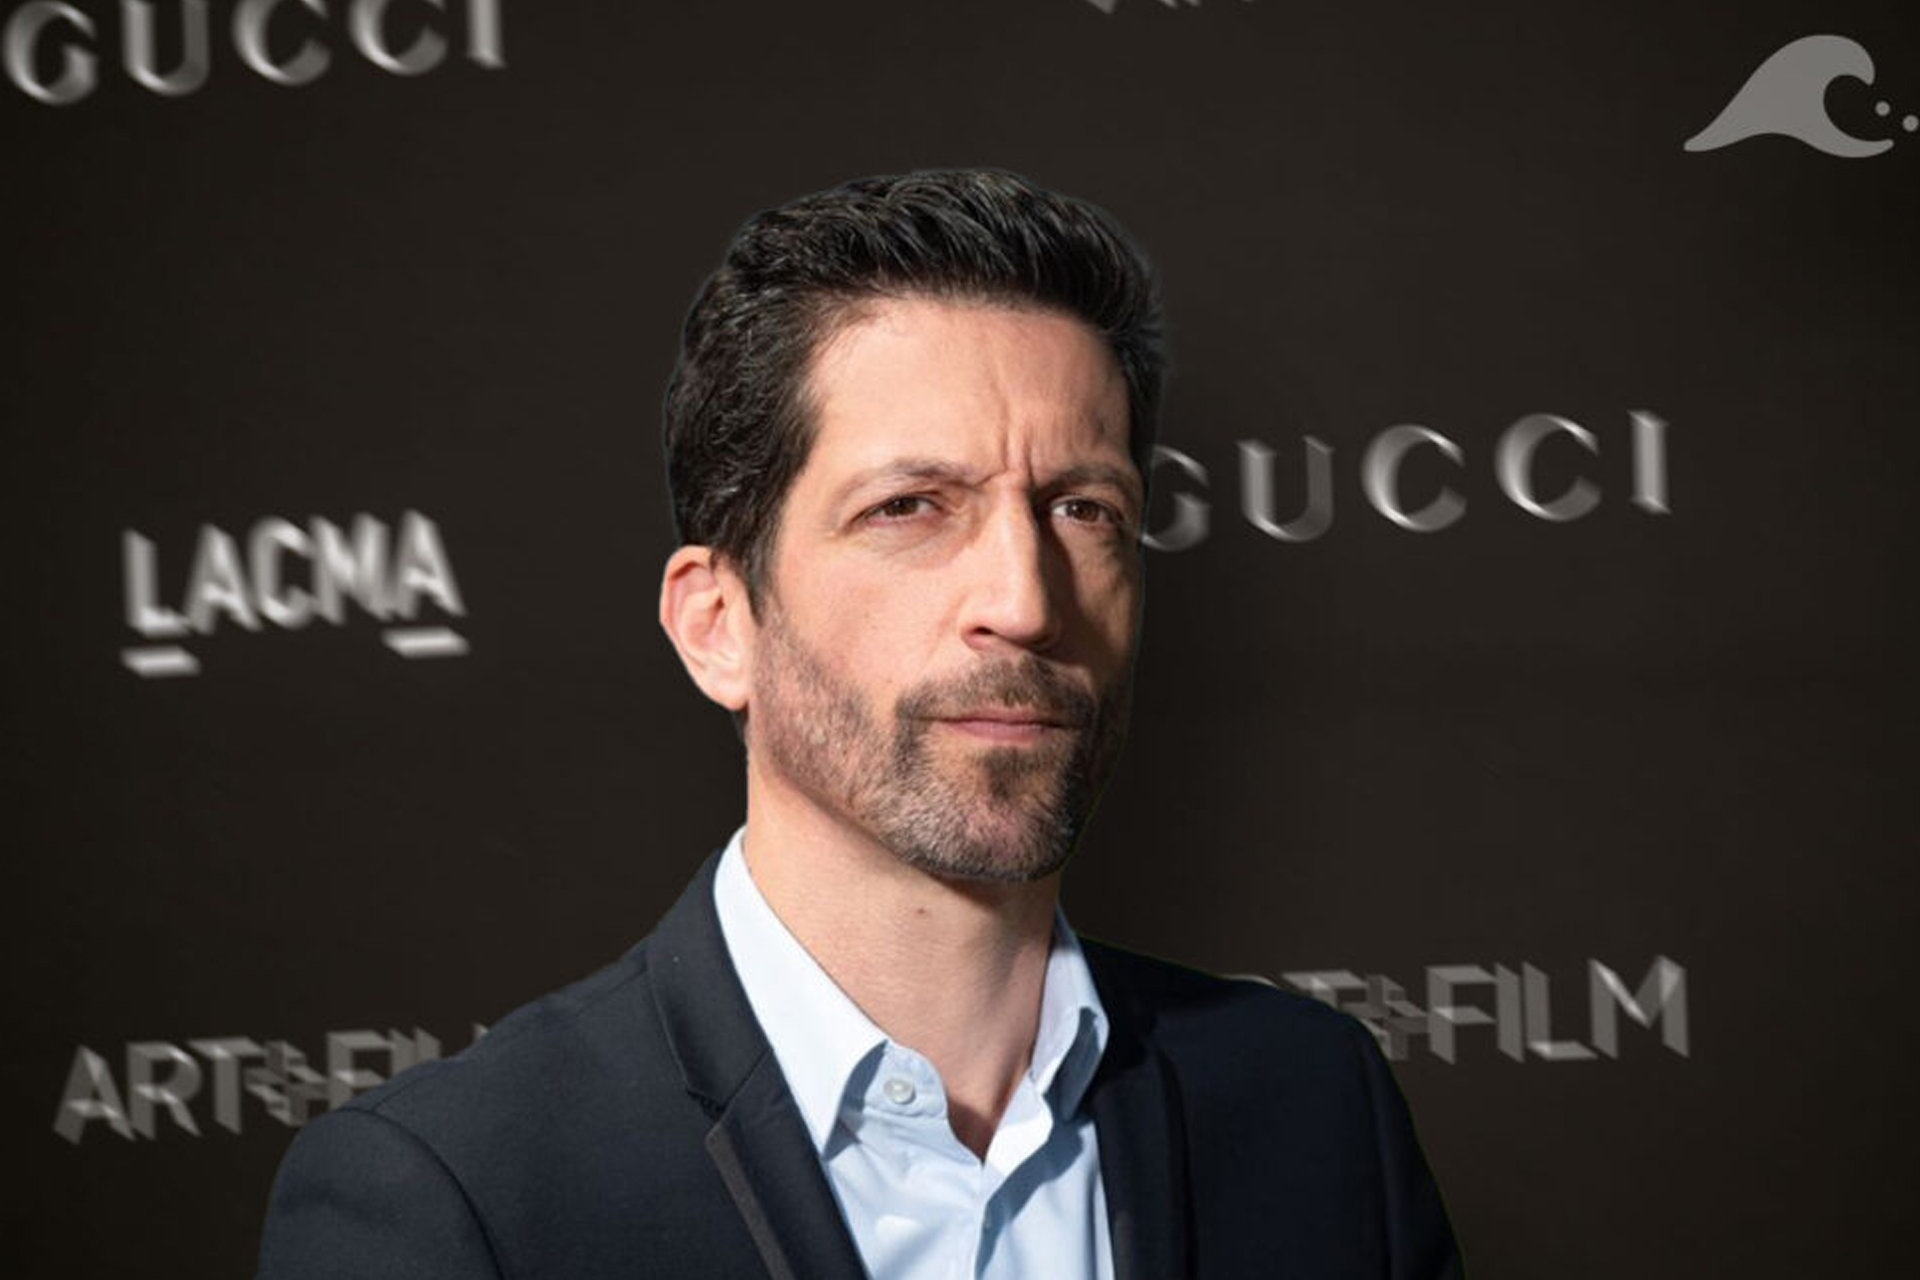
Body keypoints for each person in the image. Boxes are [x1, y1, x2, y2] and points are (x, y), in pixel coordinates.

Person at [254, 169, 1463, 1280]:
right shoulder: (456, 1198)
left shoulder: (1314, 1107)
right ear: (718, 624)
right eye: (909, 506)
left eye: (1083, 508)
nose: (1024, 601)